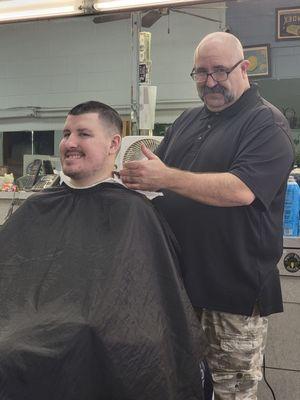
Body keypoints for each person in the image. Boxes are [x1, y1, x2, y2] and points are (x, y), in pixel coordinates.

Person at [120, 32, 295, 400]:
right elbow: (156, 182)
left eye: (220, 71)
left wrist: (166, 177)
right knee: (179, 385)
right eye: (201, 73)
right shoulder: (187, 120)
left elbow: (240, 190)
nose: (210, 82)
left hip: (232, 293)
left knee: (229, 391)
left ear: (244, 69)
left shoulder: (266, 124)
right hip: (180, 287)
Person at [0, 101, 206, 400]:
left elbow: (149, 308)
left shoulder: (135, 211)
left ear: (113, 144)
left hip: (100, 340)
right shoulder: (36, 206)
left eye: (83, 134)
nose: (69, 143)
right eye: (66, 133)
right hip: (21, 334)